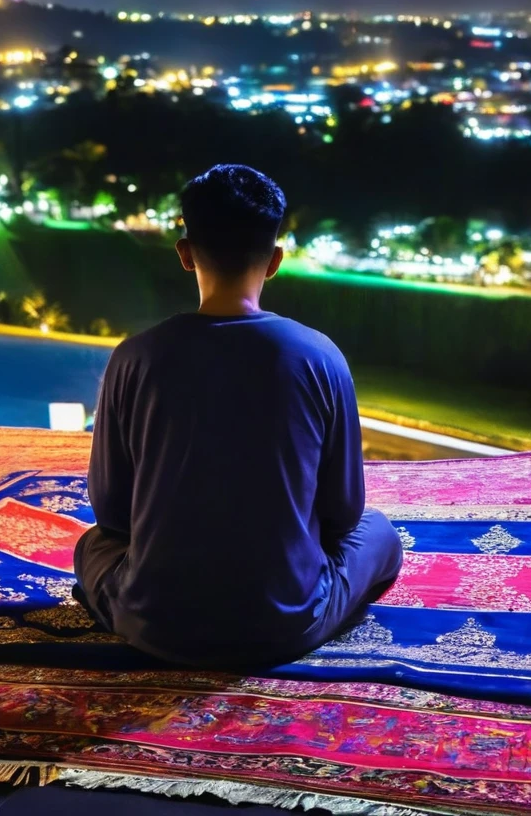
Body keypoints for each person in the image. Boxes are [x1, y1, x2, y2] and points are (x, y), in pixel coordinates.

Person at [74, 164, 402, 668]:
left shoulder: (134, 357)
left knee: (90, 546)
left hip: (154, 622)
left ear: (185, 254)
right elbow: (345, 512)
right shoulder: (318, 357)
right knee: (379, 534)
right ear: (274, 261)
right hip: (284, 624)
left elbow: (113, 515)